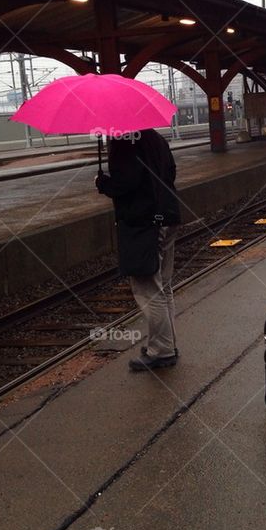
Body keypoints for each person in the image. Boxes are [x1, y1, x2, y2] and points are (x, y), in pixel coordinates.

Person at [95, 130, 181, 371]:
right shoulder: (156, 138)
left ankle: (162, 352)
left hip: (145, 224)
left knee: (148, 289)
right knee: (163, 287)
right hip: (167, 216)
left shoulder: (124, 141)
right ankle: (167, 344)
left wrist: (103, 183)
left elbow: (126, 182)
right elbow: (171, 172)